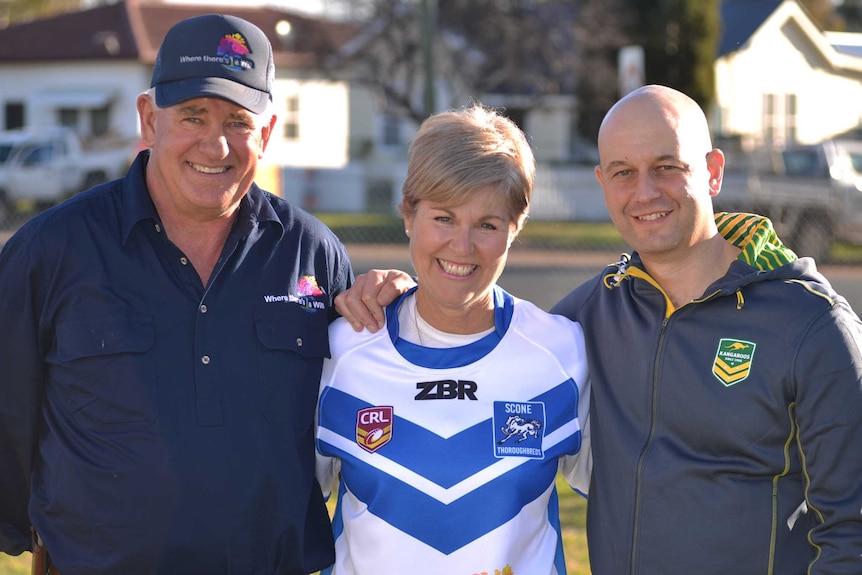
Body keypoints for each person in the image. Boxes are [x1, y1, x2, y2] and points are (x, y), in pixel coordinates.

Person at [335, 85, 862, 574]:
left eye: (667, 166)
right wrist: (394, 290)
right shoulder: (586, 319)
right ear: (603, 182)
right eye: (623, 172)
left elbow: (851, 529)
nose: (645, 192)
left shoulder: (812, 324)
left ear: (712, 171)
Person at [0, 14, 353, 574]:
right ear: (149, 119)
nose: (215, 145)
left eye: (238, 122)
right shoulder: (51, 251)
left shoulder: (312, 255)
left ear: (265, 134)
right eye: (192, 115)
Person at [315, 104, 591, 575]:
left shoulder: (562, 354)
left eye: (488, 224)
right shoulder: (344, 350)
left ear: (515, 229)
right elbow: (278, 512)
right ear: (408, 214)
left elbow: (637, 505)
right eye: (443, 218)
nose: (462, 247)